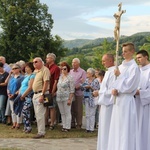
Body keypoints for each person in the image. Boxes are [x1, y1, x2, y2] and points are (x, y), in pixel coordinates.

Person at [108, 42, 140, 150]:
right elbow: (115, 82)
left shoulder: (134, 68)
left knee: (125, 128)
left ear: (132, 52)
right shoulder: (120, 66)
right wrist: (114, 90)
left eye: (126, 51)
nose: (124, 54)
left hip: (127, 101)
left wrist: (119, 76)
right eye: (123, 52)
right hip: (118, 101)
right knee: (117, 127)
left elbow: (130, 86)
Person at [93, 54, 116, 150]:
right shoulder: (108, 72)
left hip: (109, 105)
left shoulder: (114, 72)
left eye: (104, 61)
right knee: (103, 129)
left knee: (107, 129)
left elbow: (112, 90)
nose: (102, 63)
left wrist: (99, 92)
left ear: (110, 60)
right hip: (104, 104)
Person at [135, 50, 150, 150]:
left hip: (147, 105)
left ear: (146, 57)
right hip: (136, 103)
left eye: (140, 57)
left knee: (145, 128)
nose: (138, 60)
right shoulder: (137, 70)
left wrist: (140, 92)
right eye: (137, 59)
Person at [32, 57, 50, 139]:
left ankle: (41, 132)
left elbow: (46, 82)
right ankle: (40, 130)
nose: (34, 63)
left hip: (41, 93)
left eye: (36, 62)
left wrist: (42, 94)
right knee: (37, 114)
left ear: (41, 62)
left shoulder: (45, 70)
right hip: (35, 94)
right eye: (33, 62)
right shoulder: (36, 71)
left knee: (40, 113)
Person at [56, 62, 75, 132]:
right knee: (62, 112)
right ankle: (64, 125)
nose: (63, 70)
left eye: (64, 69)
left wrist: (70, 99)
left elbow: (72, 90)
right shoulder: (60, 77)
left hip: (66, 97)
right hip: (59, 97)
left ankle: (68, 126)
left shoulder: (70, 77)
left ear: (68, 69)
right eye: (62, 69)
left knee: (67, 112)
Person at [81, 68, 100, 133]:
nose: (87, 74)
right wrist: (82, 85)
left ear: (92, 74)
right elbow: (82, 88)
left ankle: (91, 128)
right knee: (87, 114)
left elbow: (97, 90)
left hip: (92, 99)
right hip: (86, 98)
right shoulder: (86, 80)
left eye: (88, 73)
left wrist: (90, 87)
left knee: (92, 114)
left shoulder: (95, 81)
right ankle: (87, 128)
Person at [70, 58, 86, 129]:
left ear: (78, 64)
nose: (73, 64)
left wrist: (78, 85)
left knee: (78, 109)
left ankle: (79, 124)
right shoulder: (70, 71)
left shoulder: (82, 71)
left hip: (78, 92)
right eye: (72, 62)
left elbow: (83, 81)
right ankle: (72, 123)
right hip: (71, 93)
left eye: (75, 63)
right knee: (72, 108)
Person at [45, 53, 60, 130]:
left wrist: (53, 91)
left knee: (52, 107)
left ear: (52, 59)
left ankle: (52, 123)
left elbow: (56, 81)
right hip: (45, 90)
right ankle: (46, 122)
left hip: (51, 90)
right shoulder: (46, 67)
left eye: (48, 58)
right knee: (46, 106)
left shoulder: (56, 68)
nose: (46, 59)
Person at [19, 62, 35, 133]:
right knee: (24, 112)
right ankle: (26, 126)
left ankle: (28, 127)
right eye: (25, 67)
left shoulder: (32, 76)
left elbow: (30, 87)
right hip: (23, 96)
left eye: (27, 67)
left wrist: (23, 95)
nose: (25, 68)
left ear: (31, 68)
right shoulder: (25, 76)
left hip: (28, 96)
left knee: (26, 111)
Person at [7, 64, 24, 129]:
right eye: (13, 69)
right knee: (12, 110)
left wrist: (15, 94)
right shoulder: (11, 77)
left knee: (18, 109)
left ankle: (18, 123)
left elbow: (22, 87)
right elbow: (8, 86)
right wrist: (9, 93)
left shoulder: (22, 77)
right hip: (11, 95)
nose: (14, 70)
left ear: (19, 69)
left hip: (18, 95)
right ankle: (14, 122)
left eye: (15, 68)